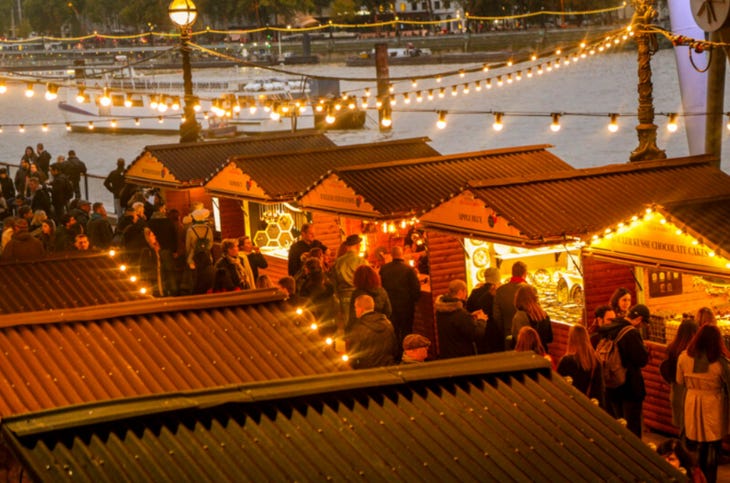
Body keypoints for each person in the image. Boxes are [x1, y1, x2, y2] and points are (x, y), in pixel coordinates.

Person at [677, 324, 730, 483]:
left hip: (692, 401)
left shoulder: (683, 357)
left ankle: (694, 478)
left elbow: (680, 380)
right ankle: (709, 479)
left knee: (693, 443)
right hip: (713, 404)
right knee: (712, 445)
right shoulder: (721, 363)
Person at [597, 303, 650, 438]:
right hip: (629, 386)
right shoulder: (630, 333)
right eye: (643, 324)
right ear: (639, 320)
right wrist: (646, 351)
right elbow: (641, 360)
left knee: (618, 425)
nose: (641, 327)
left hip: (611, 383)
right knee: (632, 429)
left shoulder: (610, 328)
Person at [380, 245, 421, 352]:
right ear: (401, 255)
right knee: (406, 330)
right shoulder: (409, 270)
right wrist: (413, 301)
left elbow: (381, 286)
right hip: (406, 306)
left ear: (392, 255)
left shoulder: (384, 269)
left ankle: (396, 353)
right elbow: (416, 289)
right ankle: (407, 352)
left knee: (394, 331)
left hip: (390, 305)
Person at [435, 279, 487, 359]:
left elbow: (455, 325)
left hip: (447, 353)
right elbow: (476, 334)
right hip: (461, 355)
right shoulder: (459, 313)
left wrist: (470, 316)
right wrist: (481, 320)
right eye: (465, 291)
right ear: (460, 292)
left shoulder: (441, 309)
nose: (466, 295)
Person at [665, 319, 699, 437]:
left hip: (676, 391)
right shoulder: (694, 353)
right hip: (689, 392)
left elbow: (668, 371)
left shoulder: (672, 349)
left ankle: (683, 450)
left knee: (683, 427)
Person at [557, 325, 604, 406]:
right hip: (589, 405)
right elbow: (599, 389)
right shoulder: (595, 361)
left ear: (571, 340)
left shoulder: (566, 361)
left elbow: (558, 387)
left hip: (570, 405)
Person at [348, 294, 397, 370]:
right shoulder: (388, 323)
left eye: (355, 307)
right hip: (388, 368)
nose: (355, 310)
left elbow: (354, 355)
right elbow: (394, 348)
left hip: (367, 371)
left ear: (360, 309)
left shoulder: (358, 328)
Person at [346, 265, 392, 335]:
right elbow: (388, 311)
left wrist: (348, 331)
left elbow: (353, 316)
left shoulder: (357, 293)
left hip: (363, 330)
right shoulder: (382, 291)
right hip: (380, 328)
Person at [493, 261, 528, 351]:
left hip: (508, 333)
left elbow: (496, 315)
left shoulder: (500, 290)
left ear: (512, 273)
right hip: (527, 334)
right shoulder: (530, 290)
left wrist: (504, 330)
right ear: (525, 274)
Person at [333, 234, 367, 325]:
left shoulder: (338, 262)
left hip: (343, 295)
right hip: (358, 294)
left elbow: (334, 281)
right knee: (360, 321)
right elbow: (366, 280)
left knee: (347, 322)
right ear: (357, 245)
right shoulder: (361, 261)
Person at [465, 267, 502, 353]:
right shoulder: (499, 292)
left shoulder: (474, 293)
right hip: (496, 333)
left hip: (480, 333)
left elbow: (469, 312)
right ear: (497, 279)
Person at [298, 257, 337, 333]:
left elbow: (303, 297)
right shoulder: (326, 277)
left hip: (316, 315)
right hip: (330, 314)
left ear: (308, 269)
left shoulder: (308, 283)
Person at [511, 285, 553, 351]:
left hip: (527, 355)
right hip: (542, 352)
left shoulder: (520, 316)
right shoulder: (543, 314)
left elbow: (519, 340)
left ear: (518, 299)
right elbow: (549, 338)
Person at [139, 228, 176, 297]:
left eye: (154, 235)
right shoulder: (147, 251)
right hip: (154, 280)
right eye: (152, 235)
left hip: (162, 279)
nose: (155, 237)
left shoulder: (161, 250)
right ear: (148, 238)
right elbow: (143, 268)